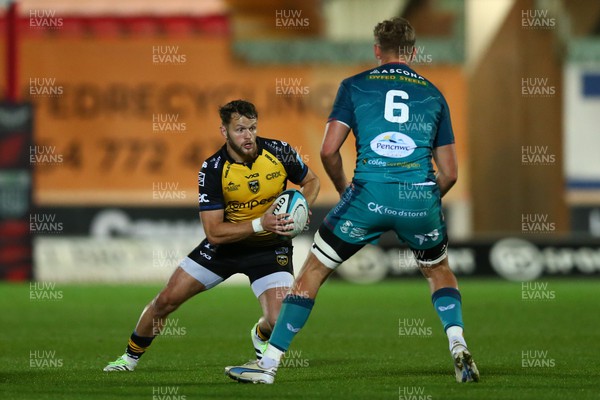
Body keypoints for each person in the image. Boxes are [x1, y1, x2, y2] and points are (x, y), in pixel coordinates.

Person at [225, 17, 479, 384]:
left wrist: (346, 188)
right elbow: (451, 172)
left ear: (377, 50)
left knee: (312, 273)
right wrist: (418, 199)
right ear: (414, 51)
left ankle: (267, 366)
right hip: (419, 198)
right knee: (438, 271)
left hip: (366, 197)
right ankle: (457, 343)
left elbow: (329, 151)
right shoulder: (434, 94)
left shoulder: (354, 86)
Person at [103, 99, 319, 371]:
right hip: (224, 249)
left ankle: (260, 334)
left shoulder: (280, 151)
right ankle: (128, 358)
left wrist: (302, 203)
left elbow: (312, 181)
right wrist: (260, 223)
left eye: (252, 128)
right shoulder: (213, 169)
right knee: (166, 300)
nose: (248, 136)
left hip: (269, 249)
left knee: (279, 321)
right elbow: (214, 233)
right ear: (224, 132)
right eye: (240, 129)